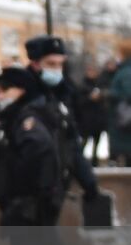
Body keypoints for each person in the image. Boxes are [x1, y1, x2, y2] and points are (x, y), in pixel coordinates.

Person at [0, 66, 64, 245]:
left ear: (21, 90)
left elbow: (36, 152)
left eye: (5, 89)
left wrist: (20, 187)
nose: (0, 95)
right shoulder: (15, 116)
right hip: (25, 200)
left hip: (27, 201)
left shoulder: (27, 118)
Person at [24, 36, 101, 205]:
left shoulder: (63, 93)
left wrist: (88, 181)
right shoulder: (23, 94)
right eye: (51, 64)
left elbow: (70, 140)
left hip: (55, 188)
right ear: (36, 64)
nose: (57, 69)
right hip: (29, 192)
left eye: (60, 64)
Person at [106, 40, 131, 167]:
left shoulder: (128, 72)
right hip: (127, 119)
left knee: (130, 156)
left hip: (125, 119)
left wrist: (110, 94)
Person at [73, 64, 108, 167]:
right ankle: (79, 163)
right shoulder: (82, 86)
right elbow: (78, 103)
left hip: (97, 120)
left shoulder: (99, 85)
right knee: (84, 143)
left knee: (96, 145)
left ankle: (94, 163)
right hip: (86, 121)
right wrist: (89, 98)